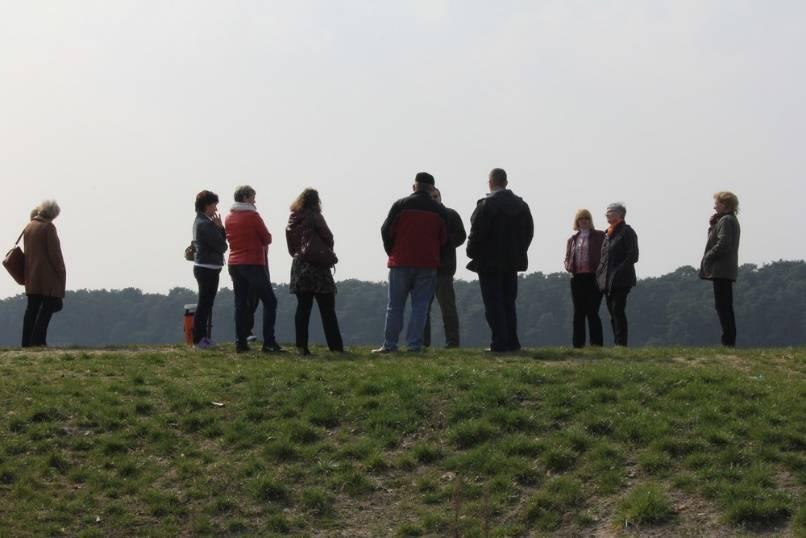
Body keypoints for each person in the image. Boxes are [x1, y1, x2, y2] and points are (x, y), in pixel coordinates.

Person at [373, 172, 447, 353]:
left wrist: (392, 251)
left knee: (395, 305)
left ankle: (390, 344)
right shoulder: (439, 210)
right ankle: (414, 345)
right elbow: (444, 238)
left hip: (400, 261)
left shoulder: (401, 205)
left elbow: (386, 230)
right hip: (427, 263)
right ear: (432, 189)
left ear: (414, 187)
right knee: (420, 306)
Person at [466, 168, 534, 352]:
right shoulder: (521, 206)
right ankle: (512, 342)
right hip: (512, 262)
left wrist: (471, 252)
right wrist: (519, 251)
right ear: (506, 182)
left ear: (490, 182)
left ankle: (499, 342)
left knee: (493, 304)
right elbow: (529, 232)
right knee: (508, 302)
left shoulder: (486, 205)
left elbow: (476, 233)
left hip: (489, 263)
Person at [224, 185, 284, 353]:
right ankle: (269, 342)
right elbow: (267, 237)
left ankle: (240, 342)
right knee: (270, 301)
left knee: (240, 303)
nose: (254, 200)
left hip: (234, 263)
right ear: (245, 198)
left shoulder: (229, 217)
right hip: (252, 263)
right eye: (252, 197)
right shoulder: (253, 216)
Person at [285, 188, 344, 355]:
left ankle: (301, 347)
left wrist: (298, 254)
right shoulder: (315, 216)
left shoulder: (293, 218)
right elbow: (328, 237)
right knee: (327, 310)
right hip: (317, 267)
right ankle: (336, 347)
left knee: (303, 308)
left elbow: (291, 244)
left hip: (299, 265)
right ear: (316, 201)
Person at [423, 188, 466, 348]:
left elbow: (461, 235)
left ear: (440, 197)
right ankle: (423, 342)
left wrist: (444, 242)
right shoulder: (423, 216)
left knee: (448, 308)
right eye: (431, 197)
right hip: (425, 269)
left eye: (436, 196)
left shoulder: (451, 214)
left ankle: (453, 342)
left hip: (444, 270)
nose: (434, 200)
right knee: (423, 308)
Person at [21, 200, 66, 347]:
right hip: (48, 278)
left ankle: (27, 342)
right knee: (47, 309)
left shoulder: (29, 226)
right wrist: (61, 272)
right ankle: (38, 340)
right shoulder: (48, 228)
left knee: (32, 309)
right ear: (53, 214)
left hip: (31, 275)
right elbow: (55, 254)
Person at [699, 191, 741, 347]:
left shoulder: (726, 220)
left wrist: (709, 256)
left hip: (722, 269)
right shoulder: (726, 220)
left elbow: (724, 243)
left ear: (725, 204)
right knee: (724, 306)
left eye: (717, 203)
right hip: (724, 269)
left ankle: (728, 342)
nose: (714, 206)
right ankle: (729, 341)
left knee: (723, 306)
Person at [596, 203, 639, 346]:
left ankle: (621, 344)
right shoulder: (607, 233)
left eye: (610, 212)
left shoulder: (627, 231)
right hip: (607, 281)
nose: (607, 215)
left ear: (620, 214)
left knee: (617, 310)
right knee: (612, 313)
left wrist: (619, 270)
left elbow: (633, 255)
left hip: (622, 280)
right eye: (606, 213)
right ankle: (617, 342)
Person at [191, 190, 228, 349]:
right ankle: (199, 340)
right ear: (207, 206)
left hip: (206, 267)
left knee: (205, 304)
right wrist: (220, 228)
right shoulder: (205, 224)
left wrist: (219, 229)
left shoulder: (200, 221)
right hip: (207, 268)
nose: (216, 209)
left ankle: (202, 338)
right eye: (214, 205)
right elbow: (222, 246)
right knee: (204, 304)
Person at [564, 209, 606, 348]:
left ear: (590, 221)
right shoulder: (572, 239)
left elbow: (606, 254)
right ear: (577, 222)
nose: (584, 221)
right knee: (578, 312)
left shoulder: (600, 236)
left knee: (592, 311)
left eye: (586, 219)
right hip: (577, 278)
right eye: (581, 219)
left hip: (594, 277)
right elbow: (567, 257)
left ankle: (596, 344)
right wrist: (567, 265)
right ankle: (578, 344)